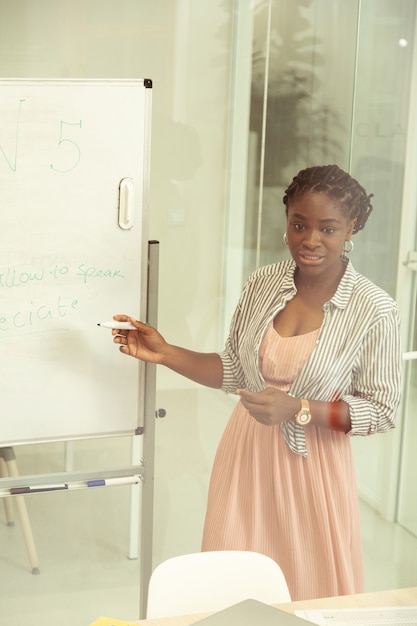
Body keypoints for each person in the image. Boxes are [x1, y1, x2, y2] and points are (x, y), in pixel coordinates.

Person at [110, 164, 402, 601]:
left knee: (310, 586)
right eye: (299, 224)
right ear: (286, 222)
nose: (310, 239)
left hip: (314, 468)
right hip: (246, 454)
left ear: (351, 228)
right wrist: (164, 352)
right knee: (233, 583)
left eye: (328, 228)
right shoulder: (262, 283)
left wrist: (299, 408)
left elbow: (381, 411)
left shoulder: (376, 309)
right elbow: (234, 370)